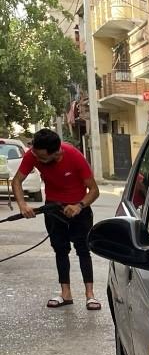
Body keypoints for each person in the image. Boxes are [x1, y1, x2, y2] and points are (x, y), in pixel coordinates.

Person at [12, 129, 102, 310]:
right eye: (36, 155)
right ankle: (65, 293)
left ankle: (90, 295)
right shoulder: (34, 155)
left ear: (56, 151)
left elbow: (94, 190)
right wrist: (22, 205)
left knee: (83, 250)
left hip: (79, 208)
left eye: (43, 158)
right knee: (60, 250)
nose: (39, 160)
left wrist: (79, 206)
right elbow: (17, 181)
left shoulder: (74, 157)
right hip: (53, 208)